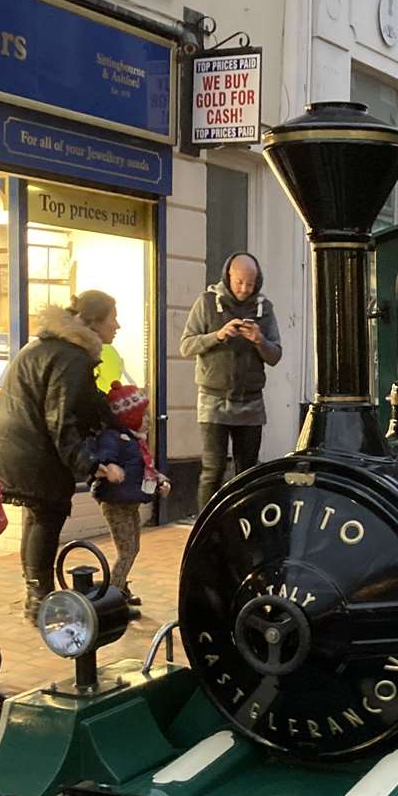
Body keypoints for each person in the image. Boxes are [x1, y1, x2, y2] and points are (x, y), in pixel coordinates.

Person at [0, 293, 125, 622]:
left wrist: (119, 417)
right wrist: (88, 463)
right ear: (93, 321)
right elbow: (63, 418)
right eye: (112, 317)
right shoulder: (72, 356)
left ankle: (36, 594)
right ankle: (38, 600)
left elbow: (82, 400)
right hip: (29, 449)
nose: (117, 324)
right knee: (48, 512)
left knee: (39, 514)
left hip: (15, 444)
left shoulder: (51, 346)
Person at [180, 253, 282, 509]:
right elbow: (186, 346)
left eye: (251, 283)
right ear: (228, 276)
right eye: (239, 282)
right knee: (212, 470)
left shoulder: (264, 308)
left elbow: (275, 356)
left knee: (247, 470)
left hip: (251, 401)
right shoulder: (206, 303)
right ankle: (204, 528)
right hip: (213, 399)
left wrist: (259, 340)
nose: (245, 289)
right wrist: (218, 335)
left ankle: (243, 523)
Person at [92, 382, 169, 606]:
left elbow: (144, 471)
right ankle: (112, 598)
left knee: (132, 548)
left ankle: (121, 587)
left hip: (130, 504)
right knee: (127, 552)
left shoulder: (136, 441)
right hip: (116, 505)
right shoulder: (115, 438)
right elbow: (102, 458)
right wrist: (108, 467)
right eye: (142, 415)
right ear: (128, 417)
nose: (147, 420)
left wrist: (161, 482)